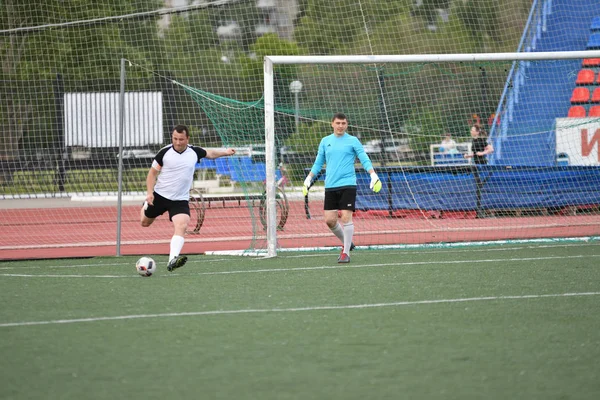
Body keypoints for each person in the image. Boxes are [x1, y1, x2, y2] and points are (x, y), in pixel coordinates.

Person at [140, 124, 235, 271]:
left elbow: (210, 153)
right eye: (175, 139)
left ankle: (172, 260)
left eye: (181, 139)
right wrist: (149, 193)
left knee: (182, 225)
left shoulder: (194, 152)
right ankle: (145, 206)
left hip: (180, 199)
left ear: (187, 138)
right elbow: (152, 174)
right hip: (160, 196)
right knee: (145, 223)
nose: (178, 142)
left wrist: (226, 152)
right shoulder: (164, 152)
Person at [302, 113, 380, 263]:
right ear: (332, 124)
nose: (340, 126)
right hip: (330, 185)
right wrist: (309, 178)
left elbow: (364, 158)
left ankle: (346, 253)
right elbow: (319, 163)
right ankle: (347, 243)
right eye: (338, 123)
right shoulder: (325, 141)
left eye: (343, 123)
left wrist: (373, 174)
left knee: (345, 217)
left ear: (347, 125)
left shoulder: (353, 141)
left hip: (348, 184)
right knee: (330, 221)